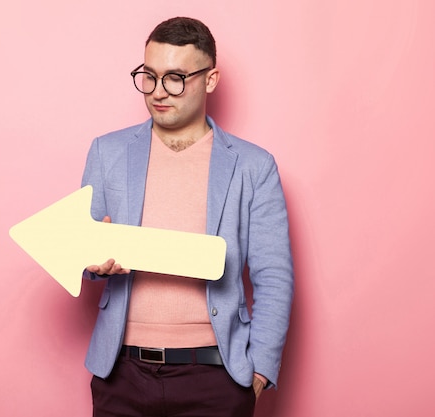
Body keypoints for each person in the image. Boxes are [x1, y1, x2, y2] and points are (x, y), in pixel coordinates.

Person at [81, 16, 294, 417]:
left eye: (176, 78)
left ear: (210, 79)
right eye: (149, 76)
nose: (159, 92)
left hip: (215, 377)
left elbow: (274, 276)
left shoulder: (254, 165)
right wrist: (89, 261)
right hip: (120, 374)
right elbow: (81, 253)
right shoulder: (105, 152)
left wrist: (260, 371)